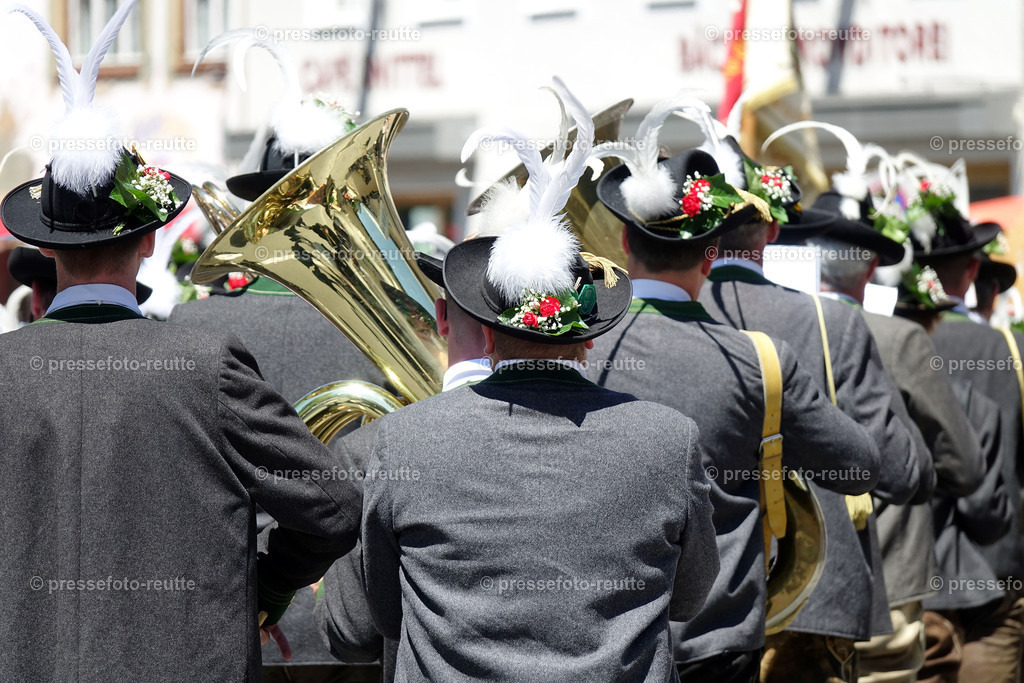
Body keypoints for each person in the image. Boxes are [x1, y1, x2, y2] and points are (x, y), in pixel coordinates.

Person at [0, 4, 361, 680]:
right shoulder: (206, 362)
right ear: (150, 237)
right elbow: (335, 508)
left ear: (45, 245)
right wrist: (268, 585)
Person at [335, 77, 721, 682]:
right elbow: (692, 599)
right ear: (590, 335)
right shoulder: (668, 439)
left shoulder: (400, 441)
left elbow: (380, 616)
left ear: (485, 334)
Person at [587, 101, 882, 682]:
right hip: (715, 644)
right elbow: (861, 468)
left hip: (595, 638)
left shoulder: (574, 348)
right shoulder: (761, 362)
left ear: (623, 239)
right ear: (713, 252)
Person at [695, 123, 927, 682]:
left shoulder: (647, 330)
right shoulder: (832, 322)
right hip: (814, 599)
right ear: (772, 230)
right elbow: (902, 471)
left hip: (694, 609)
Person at [800, 187, 985, 682]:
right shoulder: (900, 338)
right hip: (884, 580)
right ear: (867, 270)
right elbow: (964, 466)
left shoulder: (764, 327)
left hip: (786, 586)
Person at [315, 251, 490, 681]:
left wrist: (328, 585)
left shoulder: (373, 449)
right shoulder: (631, 437)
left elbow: (351, 634)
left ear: (442, 316)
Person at [909, 189, 1024, 681]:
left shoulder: (885, 340)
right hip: (999, 568)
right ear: (974, 273)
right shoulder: (1011, 347)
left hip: (913, 573)